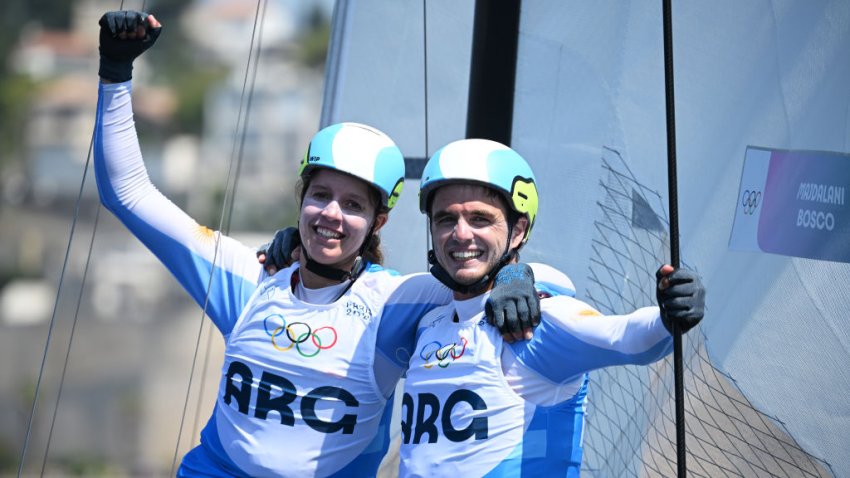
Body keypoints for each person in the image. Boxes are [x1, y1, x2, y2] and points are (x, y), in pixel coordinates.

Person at [93, 11, 550, 477]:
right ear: (301, 200)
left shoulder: (397, 302)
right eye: (321, 196)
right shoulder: (249, 277)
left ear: (378, 222)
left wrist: (518, 274)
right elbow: (127, 193)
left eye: (353, 205)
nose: (332, 214)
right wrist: (115, 72)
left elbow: (477, 274)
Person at [395, 138, 706, 477]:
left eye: (480, 219)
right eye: (445, 219)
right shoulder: (429, 322)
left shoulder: (538, 320)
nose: (460, 234)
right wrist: (516, 273)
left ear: (518, 230)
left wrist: (668, 315)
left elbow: (625, 337)